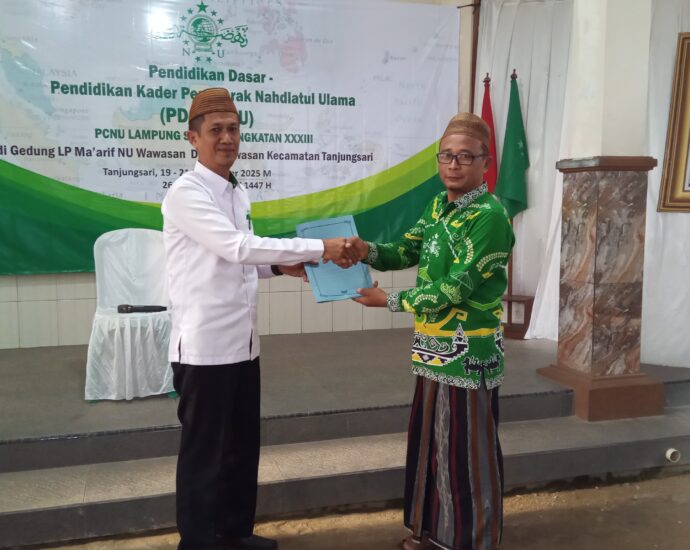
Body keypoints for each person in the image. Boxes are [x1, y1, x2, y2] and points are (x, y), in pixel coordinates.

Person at [161, 87, 356, 550]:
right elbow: (237, 248)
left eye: (233, 128)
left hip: (244, 344)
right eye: (215, 130)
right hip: (205, 349)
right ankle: (198, 543)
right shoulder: (186, 193)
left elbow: (240, 262)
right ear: (193, 138)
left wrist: (282, 267)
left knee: (240, 449)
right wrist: (320, 248)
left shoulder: (237, 191)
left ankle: (233, 534)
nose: (227, 138)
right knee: (204, 456)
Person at [350, 113, 515, 550]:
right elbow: (405, 250)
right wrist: (365, 250)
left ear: (485, 162)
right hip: (432, 349)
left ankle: (470, 542)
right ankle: (432, 533)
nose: (454, 164)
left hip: (468, 354)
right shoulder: (438, 205)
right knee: (433, 446)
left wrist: (390, 301)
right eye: (447, 155)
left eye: (465, 156)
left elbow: (456, 288)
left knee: (466, 454)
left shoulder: (490, 216)